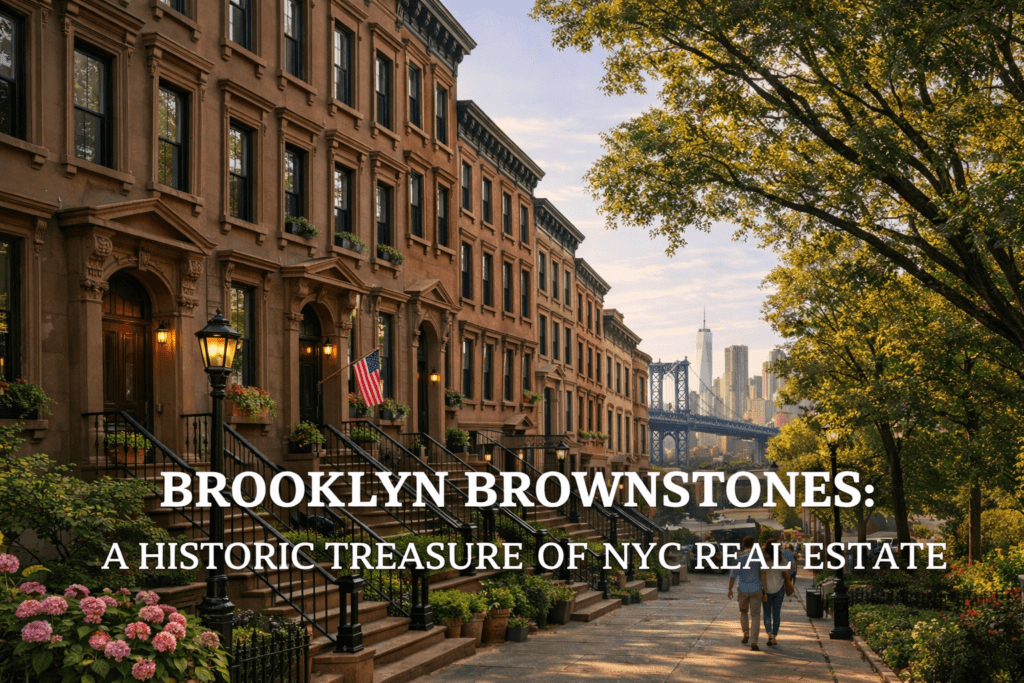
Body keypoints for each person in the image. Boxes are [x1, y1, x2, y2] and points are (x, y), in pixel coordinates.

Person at [727, 535, 764, 651]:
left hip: (742, 589)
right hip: (756, 589)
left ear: (744, 544)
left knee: (743, 612)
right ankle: (754, 641)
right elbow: (763, 574)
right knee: (756, 615)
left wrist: (730, 589)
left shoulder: (740, 559)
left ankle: (746, 634)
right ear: (753, 545)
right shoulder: (759, 559)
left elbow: (733, 576)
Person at [761, 541, 788, 646]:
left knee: (767, 614)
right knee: (776, 614)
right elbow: (785, 571)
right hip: (779, 589)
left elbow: (762, 575)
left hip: (766, 590)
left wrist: (765, 591)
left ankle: (769, 633)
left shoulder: (764, 559)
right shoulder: (781, 558)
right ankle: (775, 637)